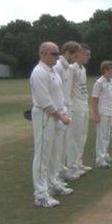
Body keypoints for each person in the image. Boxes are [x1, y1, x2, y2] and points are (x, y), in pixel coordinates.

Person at [29, 42, 72, 207]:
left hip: (57, 115)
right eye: (54, 53)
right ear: (43, 53)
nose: (58, 56)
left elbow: (59, 95)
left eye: (58, 53)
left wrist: (63, 112)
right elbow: (44, 101)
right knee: (42, 154)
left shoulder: (53, 71)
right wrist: (61, 115)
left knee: (55, 152)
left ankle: (53, 183)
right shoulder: (39, 72)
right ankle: (40, 194)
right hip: (45, 115)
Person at [53, 41, 81, 183]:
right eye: (74, 56)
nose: (75, 60)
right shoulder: (57, 67)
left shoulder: (68, 68)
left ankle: (62, 170)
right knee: (58, 145)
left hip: (67, 108)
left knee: (65, 143)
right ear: (67, 53)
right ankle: (56, 176)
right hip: (59, 110)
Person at [65, 43, 92, 179]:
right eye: (86, 54)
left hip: (83, 105)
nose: (89, 57)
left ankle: (78, 162)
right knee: (73, 138)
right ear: (79, 54)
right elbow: (68, 89)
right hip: (75, 107)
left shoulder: (83, 69)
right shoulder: (72, 68)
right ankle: (71, 166)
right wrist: (69, 108)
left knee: (82, 135)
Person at [91, 61, 112, 168]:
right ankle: (99, 159)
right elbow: (94, 99)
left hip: (110, 112)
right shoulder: (99, 83)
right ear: (105, 70)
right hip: (102, 112)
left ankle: (105, 155)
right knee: (101, 136)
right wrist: (96, 114)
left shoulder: (111, 82)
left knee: (107, 135)